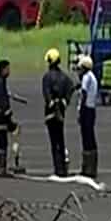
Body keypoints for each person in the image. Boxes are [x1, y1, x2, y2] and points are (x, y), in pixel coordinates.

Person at [41, 48, 75, 177]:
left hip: (50, 113)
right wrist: (64, 102)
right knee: (61, 140)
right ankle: (63, 168)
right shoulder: (65, 77)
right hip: (61, 111)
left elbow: (46, 93)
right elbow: (71, 88)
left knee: (53, 141)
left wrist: (51, 103)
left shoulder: (47, 77)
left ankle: (58, 168)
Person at [0, 59, 23, 177]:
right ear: (3, 70)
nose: (9, 71)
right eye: (7, 69)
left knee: (1, 143)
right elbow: (3, 103)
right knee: (2, 143)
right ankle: (1, 169)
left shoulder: (0, 82)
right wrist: (10, 121)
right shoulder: (0, 84)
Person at [76, 55, 99, 179]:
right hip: (92, 109)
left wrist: (80, 110)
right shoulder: (92, 77)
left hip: (86, 110)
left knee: (86, 137)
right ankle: (91, 166)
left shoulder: (86, 77)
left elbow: (83, 93)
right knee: (90, 137)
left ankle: (87, 168)